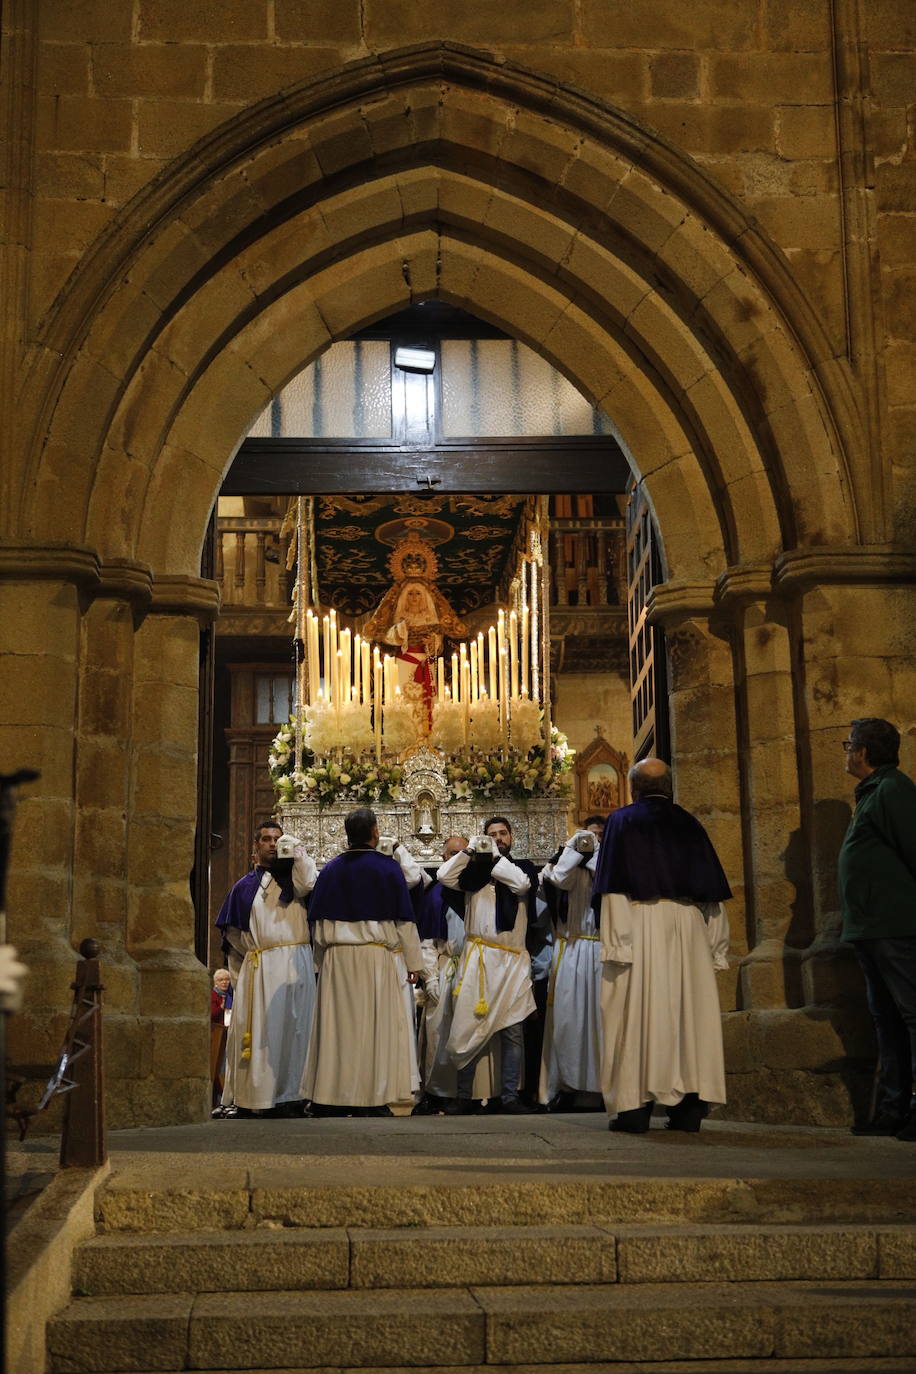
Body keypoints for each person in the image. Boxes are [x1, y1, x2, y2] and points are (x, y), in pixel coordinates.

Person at [593, 760, 731, 1133]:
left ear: (633, 789)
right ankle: (689, 1108)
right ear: (669, 788)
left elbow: (615, 886)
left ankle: (633, 1109)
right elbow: (712, 897)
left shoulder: (622, 821)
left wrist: (617, 945)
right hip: (690, 929)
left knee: (634, 1013)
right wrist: (717, 948)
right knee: (689, 1016)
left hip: (638, 923)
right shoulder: (690, 822)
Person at [302, 807, 424, 1115]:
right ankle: (373, 1099)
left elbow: (316, 925)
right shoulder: (387, 868)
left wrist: (320, 962)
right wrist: (414, 963)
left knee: (337, 1029)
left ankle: (329, 1097)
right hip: (375, 957)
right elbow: (404, 920)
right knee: (375, 1029)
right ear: (375, 833)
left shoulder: (329, 869)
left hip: (337, 960)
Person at [838, 718, 916, 1140]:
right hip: (872, 928)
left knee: (911, 1016)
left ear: (863, 753)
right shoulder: (874, 792)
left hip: (895, 926)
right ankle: (892, 1110)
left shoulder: (892, 791)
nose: (846, 752)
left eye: (848, 745)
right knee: (886, 1022)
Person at [439, 816, 539, 1114]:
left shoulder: (522, 868)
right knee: (468, 1026)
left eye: (502, 833)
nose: (498, 838)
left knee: (513, 1031)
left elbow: (521, 886)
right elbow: (444, 875)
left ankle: (509, 1096)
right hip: (479, 958)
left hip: (512, 960)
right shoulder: (471, 872)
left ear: (512, 837)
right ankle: (463, 1096)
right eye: (491, 835)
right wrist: (470, 851)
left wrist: (494, 856)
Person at [216, 822, 317, 1117]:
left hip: (297, 961)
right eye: (266, 839)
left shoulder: (297, 881)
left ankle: (293, 1097)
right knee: (260, 1035)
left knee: (297, 1031)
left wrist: (297, 851)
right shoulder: (244, 887)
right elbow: (233, 936)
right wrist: (249, 967)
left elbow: (309, 883)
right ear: (256, 846)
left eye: (277, 839)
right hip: (260, 966)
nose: (272, 844)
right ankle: (256, 1098)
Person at [538, 818, 604, 1111]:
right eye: (587, 835)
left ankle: (602, 1087)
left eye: (599, 836)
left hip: (599, 949)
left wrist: (595, 854)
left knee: (599, 1022)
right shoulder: (562, 865)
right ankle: (569, 1085)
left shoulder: (609, 866)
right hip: (571, 948)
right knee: (568, 1021)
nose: (592, 840)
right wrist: (574, 850)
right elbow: (559, 876)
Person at [209, 968, 233, 1114]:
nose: (224, 982)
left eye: (227, 980)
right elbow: (210, 1014)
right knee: (219, 1067)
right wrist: (221, 1008)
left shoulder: (231, 995)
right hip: (217, 1035)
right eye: (221, 980)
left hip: (228, 1034)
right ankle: (219, 1098)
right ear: (215, 982)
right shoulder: (213, 995)